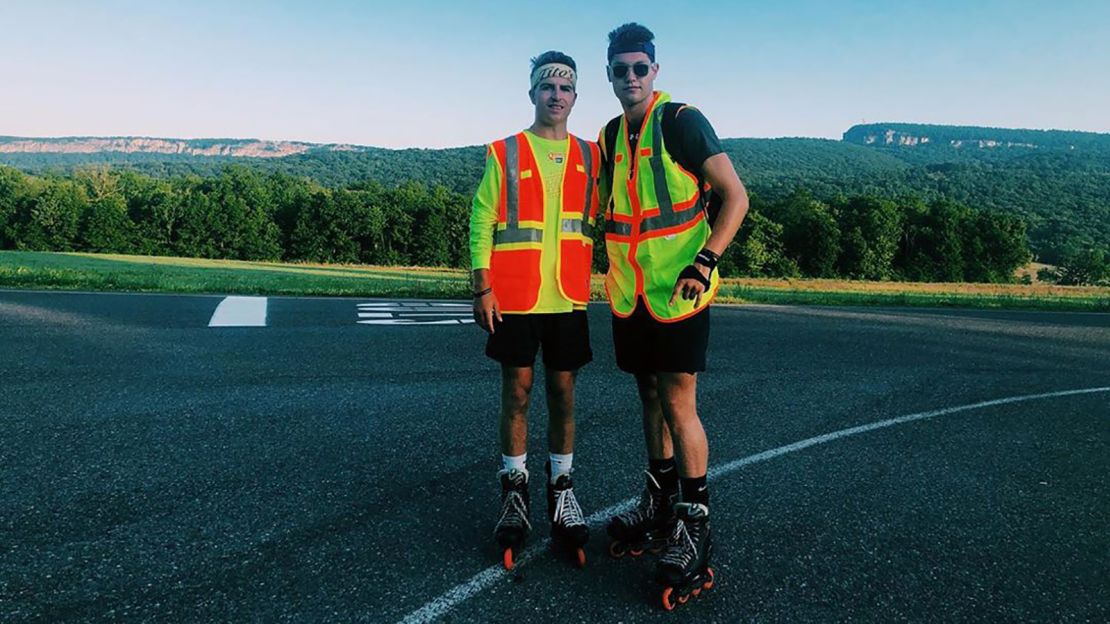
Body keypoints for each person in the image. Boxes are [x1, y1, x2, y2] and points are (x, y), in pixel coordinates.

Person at [596, 23, 750, 608]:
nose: (630, 77)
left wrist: (706, 260)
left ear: (654, 71)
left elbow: (734, 196)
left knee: (679, 401)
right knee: (648, 396)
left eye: (640, 68)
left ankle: (694, 522)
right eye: (620, 70)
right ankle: (657, 499)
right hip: (630, 291)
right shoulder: (611, 134)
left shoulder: (681, 120)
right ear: (610, 75)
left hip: (680, 289)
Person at [468, 50, 602, 570]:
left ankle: (563, 490)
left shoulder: (592, 156)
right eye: (547, 86)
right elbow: (482, 222)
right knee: (517, 392)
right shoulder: (505, 151)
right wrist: (483, 288)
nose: (556, 94)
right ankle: (515, 490)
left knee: (563, 393)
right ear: (532, 93)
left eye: (565, 87)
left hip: (567, 297)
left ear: (574, 96)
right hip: (516, 296)